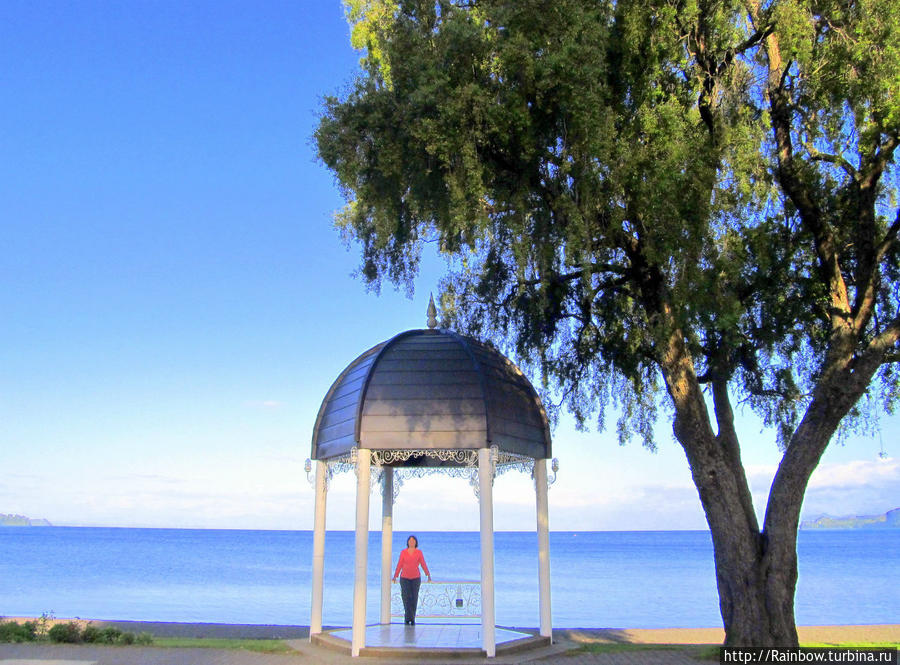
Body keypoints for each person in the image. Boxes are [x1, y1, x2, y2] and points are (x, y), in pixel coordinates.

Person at [392, 534, 431, 625]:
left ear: (416, 543)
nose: (411, 542)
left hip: (415, 578)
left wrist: (427, 574)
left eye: (413, 541)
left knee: (414, 598)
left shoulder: (419, 552)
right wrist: (395, 576)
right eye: (410, 541)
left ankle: (412, 618)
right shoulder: (403, 552)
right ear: (408, 543)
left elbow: (423, 564)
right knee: (406, 598)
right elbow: (400, 564)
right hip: (405, 578)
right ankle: (407, 617)